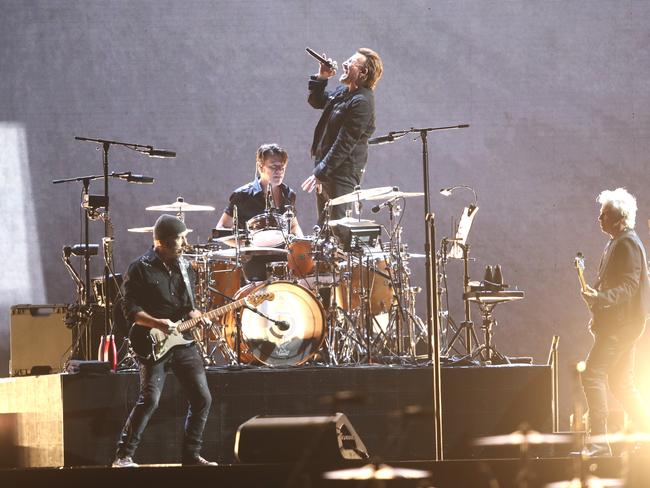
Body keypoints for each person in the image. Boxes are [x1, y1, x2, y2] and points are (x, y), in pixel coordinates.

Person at [112, 214, 216, 467]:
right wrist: (159, 323)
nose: (185, 242)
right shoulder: (140, 268)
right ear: (162, 241)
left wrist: (198, 316)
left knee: (202, 399)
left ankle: (191, 455)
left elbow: (187, 307)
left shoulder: (185, 267)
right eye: (180, 238)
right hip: (152, 340)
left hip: (183, 341)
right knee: (149, 400)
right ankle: (123, 456)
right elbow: (131, 311)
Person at [578, 188, 650, 457]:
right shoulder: (618, 241)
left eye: (604, 214)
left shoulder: (627, 243)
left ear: (619, 218)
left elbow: (629, 286)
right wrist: (596, 297)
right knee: (622, 383)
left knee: (592, 375)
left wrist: (602, 298)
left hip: (622, 326)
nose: (599, 218)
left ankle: (599, 443)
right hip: (623, 324)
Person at [301, 48, 383, 223]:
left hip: (341, 173)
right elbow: (317, 101)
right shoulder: (344, 92)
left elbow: (344, 143)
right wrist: (322, 77)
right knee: (324, 228)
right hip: (328, 170)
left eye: (351, 62)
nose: (344, 63)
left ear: (363, 72)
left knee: (338, 227)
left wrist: (320, 172)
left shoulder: (362, 102)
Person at [216, 143, 303, 280]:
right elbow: (221, 229)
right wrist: (245, 245)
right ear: (260, 167)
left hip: (283, 258)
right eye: (273, 167)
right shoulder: (242, 195)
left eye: (282, 167)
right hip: (254, 260)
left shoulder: (289, 194)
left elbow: (293, 225)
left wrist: (299, 244)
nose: (279, 171)